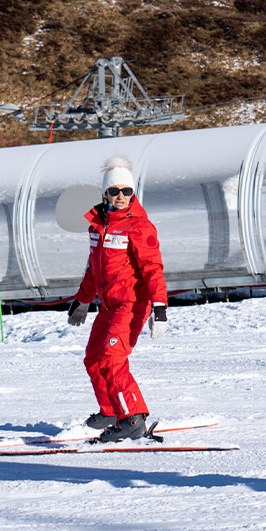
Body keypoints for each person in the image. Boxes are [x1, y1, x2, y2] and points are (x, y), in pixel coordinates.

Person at [66, 156, 169, 442]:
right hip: (109, 305)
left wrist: (159, 307)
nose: (121, 197)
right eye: (115, 191)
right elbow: (93, 268)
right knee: (94, 359)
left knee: (113, 359)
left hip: (132, 304)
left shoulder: (139, 226)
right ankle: (111, 410)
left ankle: (133, 418)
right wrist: (83, 299)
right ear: (105, 193)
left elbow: (153, 268)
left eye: (127, 191)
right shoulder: (97, 225)